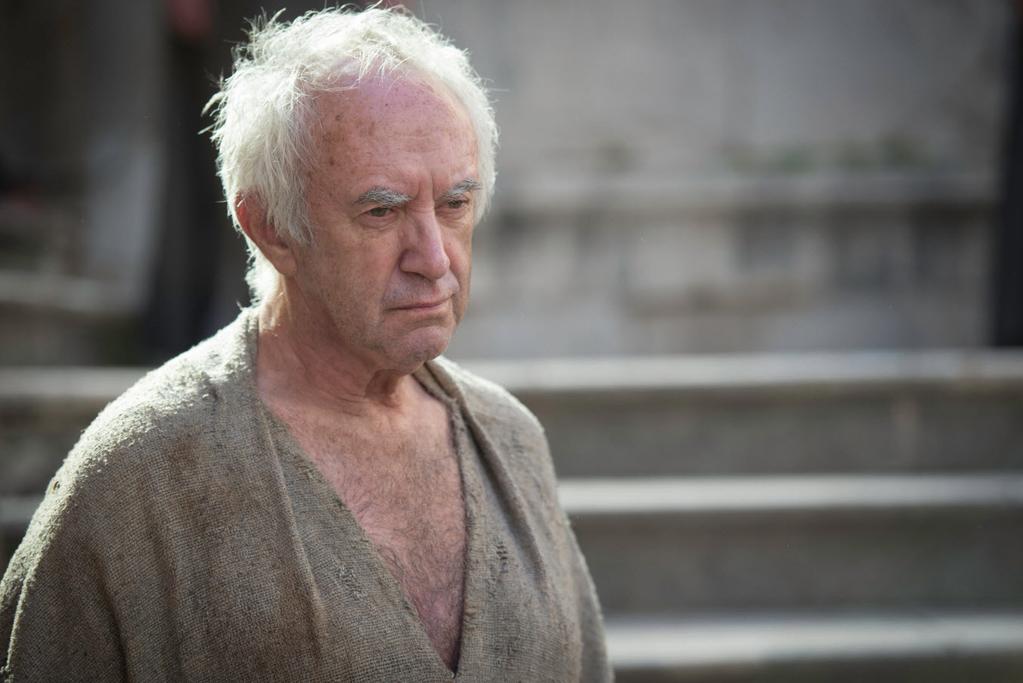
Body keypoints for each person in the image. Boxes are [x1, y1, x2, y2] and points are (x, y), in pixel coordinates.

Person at [0, 7, 611, 681]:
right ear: (271, 228)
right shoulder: (142, 472)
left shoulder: (511, 440)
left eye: (454, 205)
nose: (435, 260)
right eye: (381, 211)